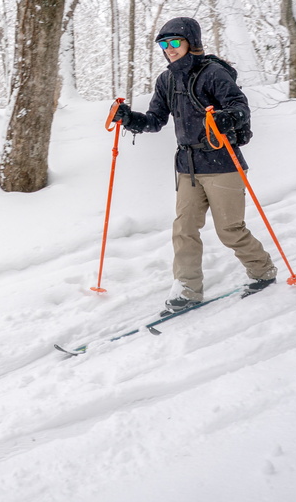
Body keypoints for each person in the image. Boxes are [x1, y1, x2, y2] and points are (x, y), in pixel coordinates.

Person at [111, 17, 277, 316]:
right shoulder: (167, 80)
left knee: (230, 230)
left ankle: (263, 271)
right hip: (188, 166)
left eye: (175, 42)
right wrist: (129, 118)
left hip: (222, 164)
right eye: (164, 44)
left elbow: (240, 106)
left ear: (191, 42)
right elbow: (155, 120)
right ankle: (187, 290)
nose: (169, 49)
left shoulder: (213, 73)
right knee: (184, 229)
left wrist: (228, 117)